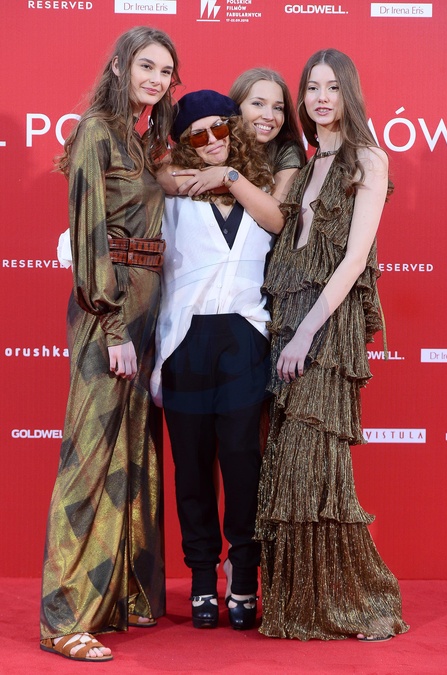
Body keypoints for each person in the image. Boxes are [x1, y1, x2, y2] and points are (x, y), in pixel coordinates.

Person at [255, 49, 409, 642]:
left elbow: (353, 260)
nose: (321, 98)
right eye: (312, 88)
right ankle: (295, 601)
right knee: (285, 463)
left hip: (324, 325)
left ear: (350, 93)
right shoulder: (307, 160)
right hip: (285, 316)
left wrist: (306, 332)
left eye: (332, 87)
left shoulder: (368, 158)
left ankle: (343, 600)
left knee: (312, 463)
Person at [39, 26, 180, 662]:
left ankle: (121, 593)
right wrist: (114, 325)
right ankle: (64, 618)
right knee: (91, 455)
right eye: (146, 66)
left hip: (145, 312)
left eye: (165, 71)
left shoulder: (144, 139)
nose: (156, 78)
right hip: (110, 311)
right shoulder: (95, 130)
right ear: (121, 66)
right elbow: (91, 235)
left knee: (133, 450)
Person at [150, 90, 284, 631]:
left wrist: (227, 176)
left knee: (243, 463)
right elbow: (151, 175)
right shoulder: (170, 197)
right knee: (191, 467)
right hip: (185, 342)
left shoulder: (259, 189)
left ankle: (244, 575)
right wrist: (175, 176)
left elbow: (278, 222)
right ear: (183, 142)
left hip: (246, 340)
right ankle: (203, 576)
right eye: (197, 135)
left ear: (234, 130)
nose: (211, 142)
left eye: (220, 129)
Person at [229, 67, 306, 201]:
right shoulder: (215, 143)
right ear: (236, 105)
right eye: (258, 104)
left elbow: (278, 212)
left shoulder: (287, 151)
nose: (269, 116)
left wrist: (227, 177)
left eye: (277, 108)